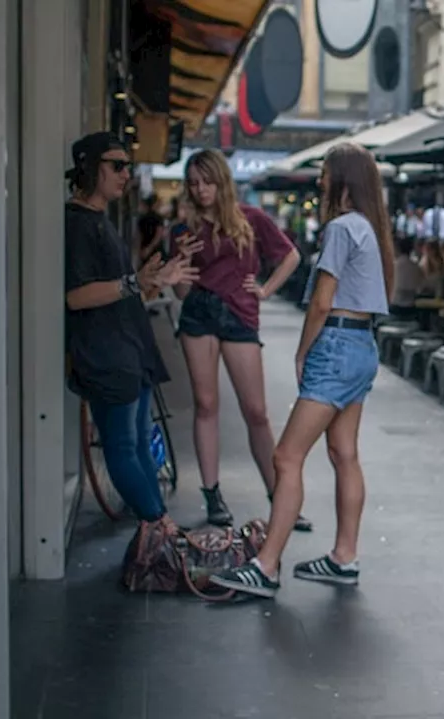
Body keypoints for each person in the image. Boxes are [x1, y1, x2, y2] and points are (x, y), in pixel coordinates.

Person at [210, 142, 394, 597]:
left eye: (326, 172)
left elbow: (320, 301)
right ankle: (344, 557)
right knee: (343, 453)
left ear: (343, 179)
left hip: (334, 344)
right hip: (362, 345)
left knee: (286, 457)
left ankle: (266, 565)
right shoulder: (370, 229)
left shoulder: (340, 228)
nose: (320, 179)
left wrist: (301, 352)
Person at [64, 132, 198, 526]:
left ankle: (159, 529)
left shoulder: (99, 220)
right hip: (107, 353)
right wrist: (136, 283)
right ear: (90, 167)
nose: (126, 174)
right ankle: (162, 529)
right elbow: (75, 296)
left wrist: (159, 278)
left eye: (129, 166)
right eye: (117, 165)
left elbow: (126, 290)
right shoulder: (76, 224)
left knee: (138, 444)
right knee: (123, 446)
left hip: (130, 348)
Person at [171, 149, 307, 529]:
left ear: (222, 180)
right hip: (198, 311)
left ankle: (279, 498)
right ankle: (212, 495)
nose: (200, 190)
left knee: (257, 412)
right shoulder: (185, 229)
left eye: (206, 181)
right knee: (206, 405)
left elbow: (291, 257)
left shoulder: (253, 218)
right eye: (193, 183)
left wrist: (265, 290)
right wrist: (180, 261)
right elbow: (181, 293)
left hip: (239, 315)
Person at [390, 235, 423, 318]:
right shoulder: (416, 267)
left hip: (395, 308)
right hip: (412, 309)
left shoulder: (394, 266)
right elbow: (419, 288)